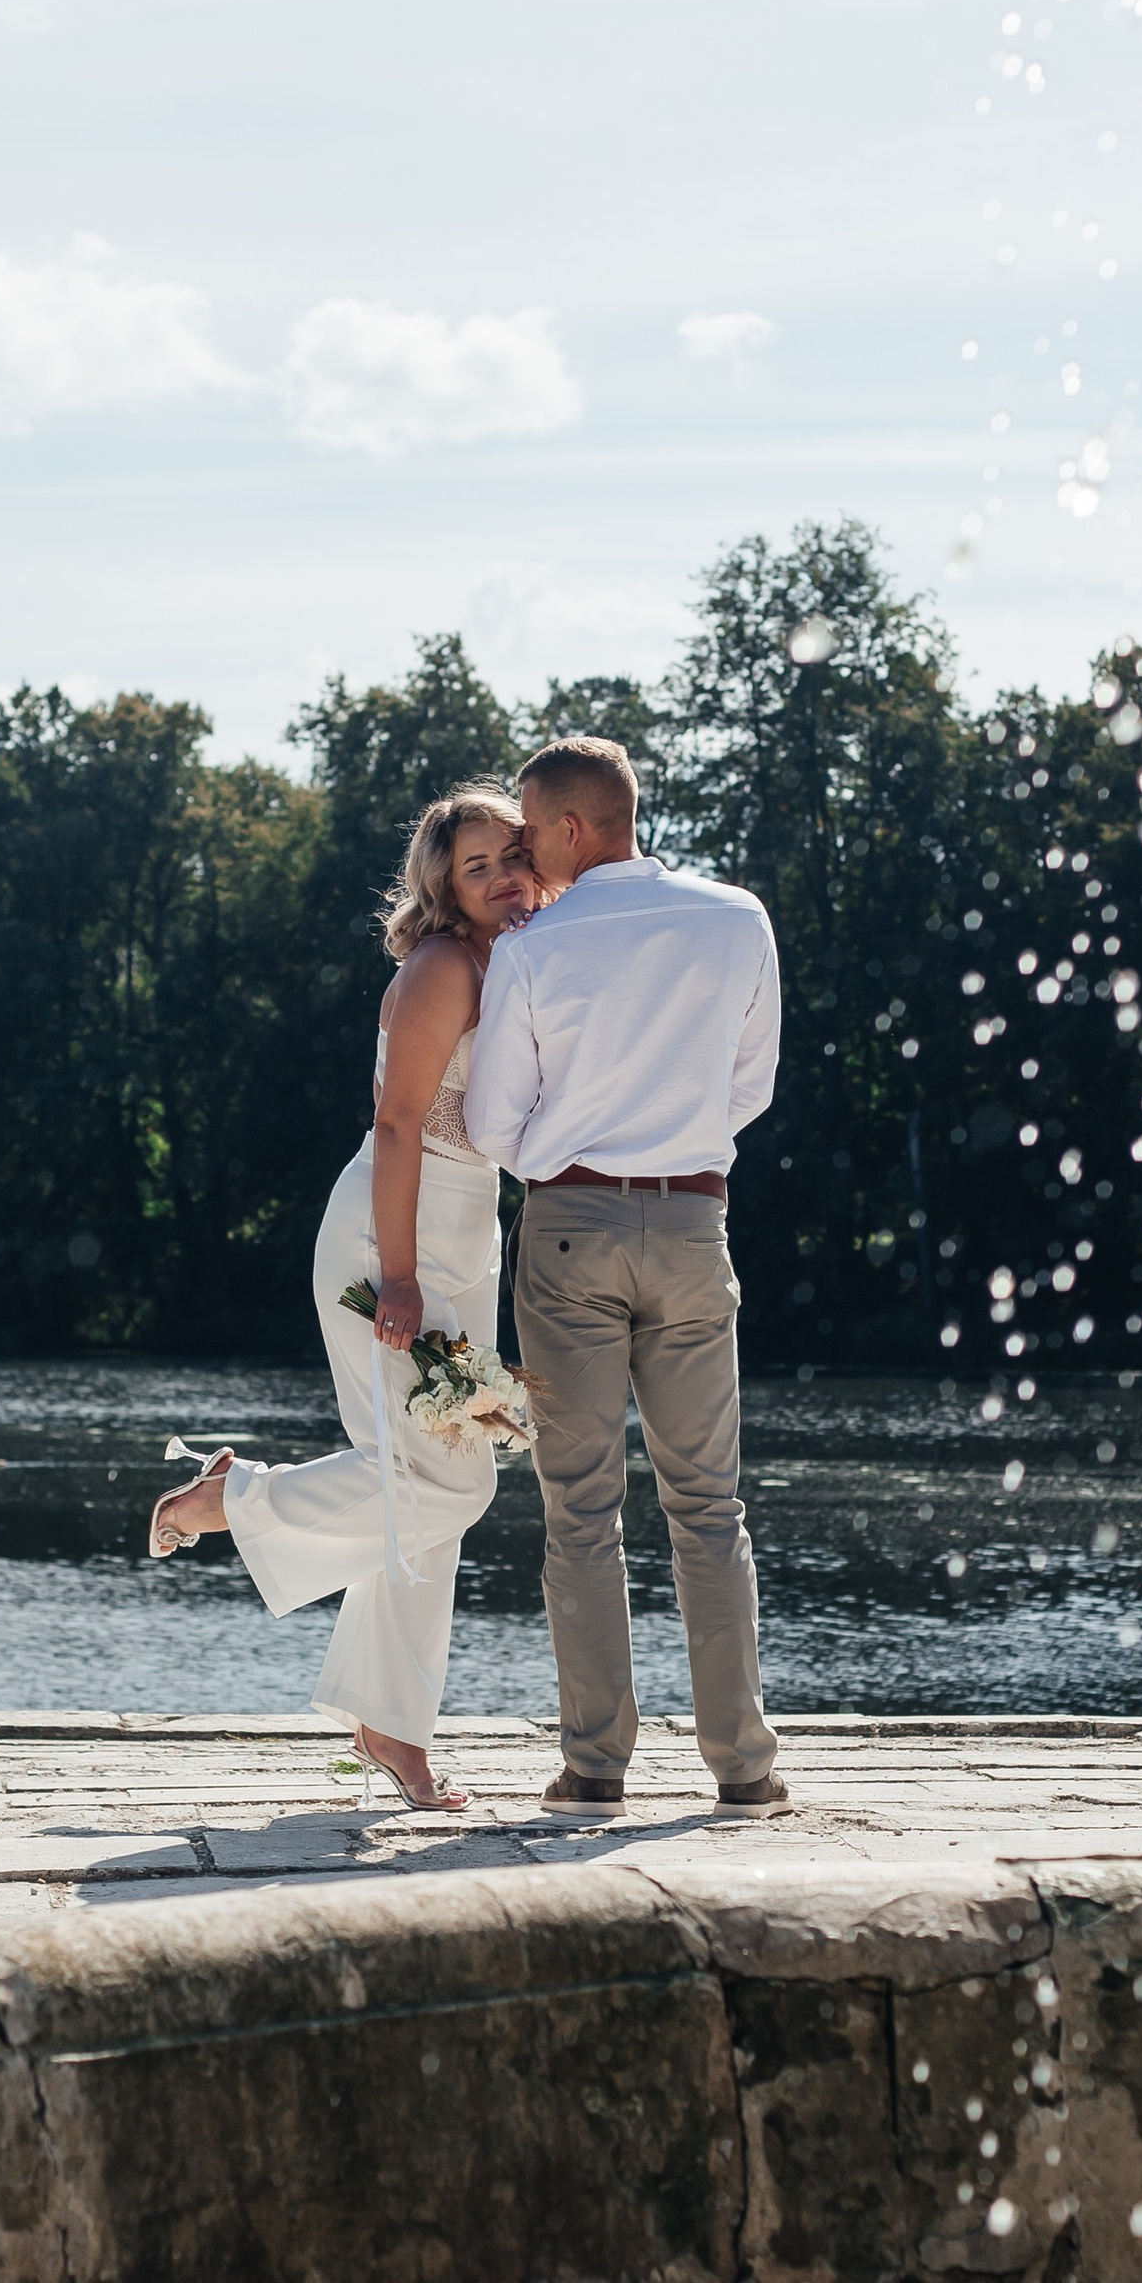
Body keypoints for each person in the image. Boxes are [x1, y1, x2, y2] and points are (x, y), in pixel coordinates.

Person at [144, 788, 536, 1809]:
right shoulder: (442, 968)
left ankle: (392, 1730)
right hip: (391, 1233)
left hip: (462, 1234)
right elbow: (400, 1124)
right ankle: (231, 1499)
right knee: (450, 1483)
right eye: (475, 866)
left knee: (427, 1484)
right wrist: (400, 1274)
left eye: (512, 856)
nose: (500, 877)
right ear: (441, 887)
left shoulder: (516, 961)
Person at [463, 735, 786, 1814]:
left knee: (581, 1509)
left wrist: (577, 1151)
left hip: (566, 1228)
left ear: (569, 826)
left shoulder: (534, 948)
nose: (522, 856)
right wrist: (671, 1142)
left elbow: (496, 1122)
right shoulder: (737, 917)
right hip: (695, 1222)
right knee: (709, 1506)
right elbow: (751, 1087)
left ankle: (594, 1766)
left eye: (527, 829)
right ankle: (743, 1770)